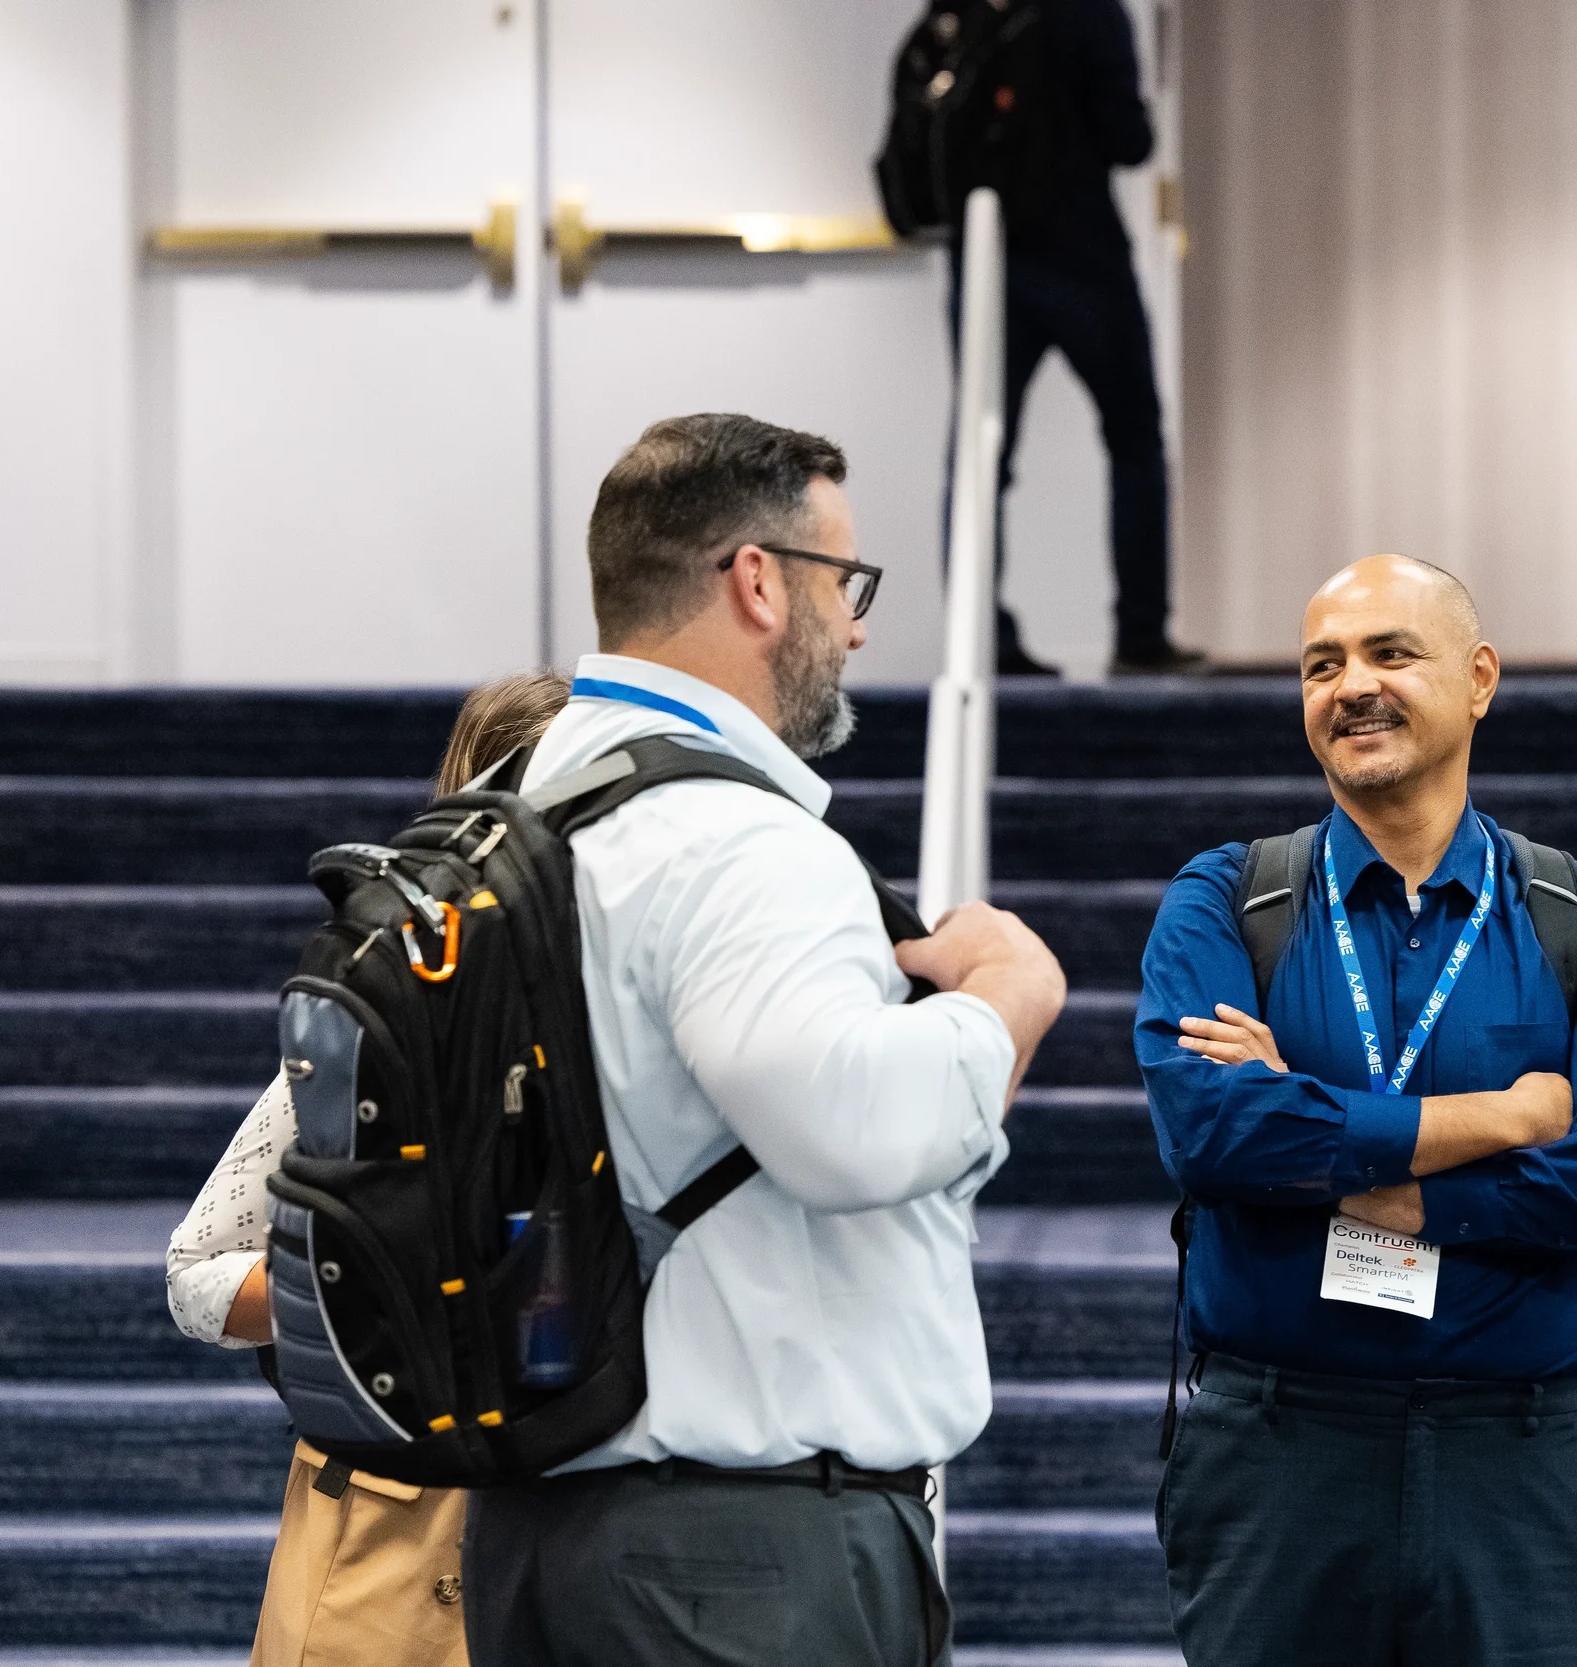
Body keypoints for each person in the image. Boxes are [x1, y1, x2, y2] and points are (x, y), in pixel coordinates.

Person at [459, 413, 1068, 1665]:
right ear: (756, 581)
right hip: (740, 1561)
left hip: (547, 1530)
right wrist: (1009, 989)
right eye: (844, 583)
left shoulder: (525, 816)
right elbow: (852, 1126)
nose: (854, 627)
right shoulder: (736, 839)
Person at [1133, 553, 1577, 1666]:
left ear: (1479, 677)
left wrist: (1382, 1177)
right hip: (1278, 1451)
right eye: (1321, 664)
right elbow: (1216, 1130)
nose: (1350, 685)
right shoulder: (1227, 900)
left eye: (1391, 652)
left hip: (1519, 1457)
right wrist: (1508, 1117)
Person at [166, 669, 572, 1667]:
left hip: (592, 1531)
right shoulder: (377, 999)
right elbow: (198, 1273)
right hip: (394, 1538)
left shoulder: (649, 994)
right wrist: (386, 1308)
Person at [950, 0, 1205, 678]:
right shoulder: (1089, 11)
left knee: (980, 453)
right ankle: (1142, 634)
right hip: (1081, 250)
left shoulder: (963, 10)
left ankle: (980, 639)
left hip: (983, 256)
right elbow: (1131, 140)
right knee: (1135, 438)